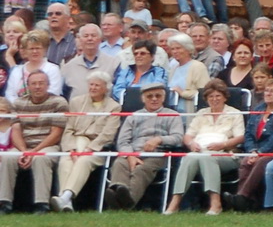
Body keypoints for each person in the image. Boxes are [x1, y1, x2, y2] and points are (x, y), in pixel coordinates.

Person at [166, 82, 245, 215]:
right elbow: (188, 136)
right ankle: (175, 202)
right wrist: (191, 144)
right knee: (189, 157)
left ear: (225, 97)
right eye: (211, 97)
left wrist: (223, 145)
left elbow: (240, 138)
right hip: (201, 151)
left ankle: (215, 203)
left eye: (218, 96)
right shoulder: (201, 113)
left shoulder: (234, 113)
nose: (214, 99)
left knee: (208, 157)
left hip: (226, 154)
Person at [105, 82, 185, 209]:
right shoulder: (133, 117)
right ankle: (117, 191)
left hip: (157, 154)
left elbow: (178, 138)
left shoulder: (172, 115)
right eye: (150, 96)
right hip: (133, 152)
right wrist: (130, 156)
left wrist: (159, 139)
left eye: (158, 96)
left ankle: (126, 202)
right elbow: (122, 140)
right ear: (143, 99)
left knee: (141, 170)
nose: (154, 99)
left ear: (163, 98)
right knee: (119, 163)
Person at [52, 71, 122, 211]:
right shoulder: (76, 102)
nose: (93, 88)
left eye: (97, 85)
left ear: (106, 88)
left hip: (96, 148)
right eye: (91, 84)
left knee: (84, 161)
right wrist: (71, 150)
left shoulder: (114, 107)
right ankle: (67, 201)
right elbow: (68, 130)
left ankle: (65, 197)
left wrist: (88, 150)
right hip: (75, 143)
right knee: (66, 161)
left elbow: (107, 134)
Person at [0, 69, 67, 212]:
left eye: (41, 83)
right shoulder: (18, 103)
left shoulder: (59, 102)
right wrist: (24, 151)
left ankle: (41, 204)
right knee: (7, 157)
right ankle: (4, 203)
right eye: (34, 84)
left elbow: (56, 134)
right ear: (27, 86)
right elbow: (16, 130)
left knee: (41, 159)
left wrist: (34, 152)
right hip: (24, 145)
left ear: (48, 85)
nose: (37, 87)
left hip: (49, 145)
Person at [229, 78, 273, 211]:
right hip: (256, 150)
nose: (268, 94)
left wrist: (259, 153)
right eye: (266, 90)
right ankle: (248, 202)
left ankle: (242, 197)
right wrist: (252, 150)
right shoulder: (259, 108)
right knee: (245, 162)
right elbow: (248, 134)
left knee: (261, 161)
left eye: (272, 91)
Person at [59, 24, 120, 104]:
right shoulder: (68, 67)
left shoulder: (113, 63)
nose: (90, 38)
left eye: (93, 35)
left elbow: (117, 92)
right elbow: (64, 94)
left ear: (100, 39)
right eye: (86, 36)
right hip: (77, 113)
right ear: (80, 40)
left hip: (104, 113)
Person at [5, 32, 64, 103]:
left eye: (38, 48)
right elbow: (10, 94)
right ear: (25, 51)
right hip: (20, 110)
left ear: (44, 50)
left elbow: (54, 92)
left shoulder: (53, 69)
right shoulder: (16, 71)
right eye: (31, 48)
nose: (35, 51)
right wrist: (21, 105)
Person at [162, 33, 210, 113]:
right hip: (173, 113)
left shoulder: (198, 67)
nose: (175, 51)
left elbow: (205, 93)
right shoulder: (173, 69)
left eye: (178, 48)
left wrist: (182, 93)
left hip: (189, 113)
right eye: (173, 49)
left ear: (188, 49)